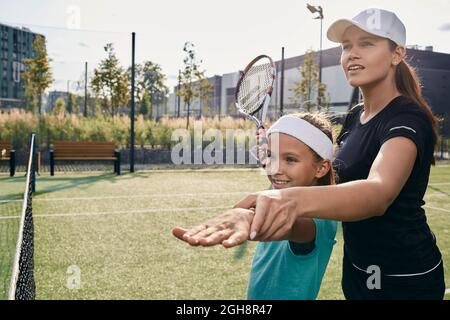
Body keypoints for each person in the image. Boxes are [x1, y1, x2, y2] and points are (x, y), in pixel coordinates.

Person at [174, 8, 446, 300]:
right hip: (359, 269)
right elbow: (325, 172)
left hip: (405, 276)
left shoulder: (407, 117)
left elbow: (379, 193)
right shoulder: (356, 117)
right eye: (346, 47)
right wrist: (274, 160)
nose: (352, 54)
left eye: (366, 43)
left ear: (397, 54)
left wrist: (284, 201)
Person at [173, 113, 338, 300]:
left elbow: (292, 225)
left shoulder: (319, 219)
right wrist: (268, 143)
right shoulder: (284, 189)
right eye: (271, 157)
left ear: (321, 168)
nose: (274, 168)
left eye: (290, 159)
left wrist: (249, 217)